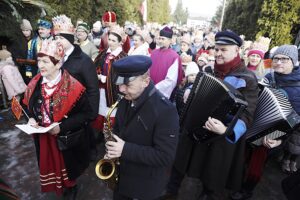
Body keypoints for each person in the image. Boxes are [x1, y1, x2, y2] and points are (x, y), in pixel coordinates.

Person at [163, 30, 259, 200]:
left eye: (224, 50)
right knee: (180, 160)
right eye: (217, 49)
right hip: (195, 123)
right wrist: (189, 91)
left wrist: (227, 129)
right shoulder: (209, 68)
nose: (219, 53)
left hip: (219, 135)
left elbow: (248, 114)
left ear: (237, 50)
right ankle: (171, 191)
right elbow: (198, 86)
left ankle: (208, 194)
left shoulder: (248, 79)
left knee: (212, 173)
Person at [22, 39, 92, 198]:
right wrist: (32, 118)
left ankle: (70, 187)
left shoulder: (75, 86)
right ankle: (58, 187)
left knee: (67, 167)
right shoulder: (35, 82)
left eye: (45, 61)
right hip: (43, 138)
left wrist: (63, 126)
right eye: (39, 60)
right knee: (50, 166)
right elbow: (27, 105)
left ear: (58, 63)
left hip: (65, 138)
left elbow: (86, 114)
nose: (40, 65)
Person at [105, 55, 179, 200]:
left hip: (143, 187)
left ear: (146, 81)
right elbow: (119, 129)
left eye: (128, 85)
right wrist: (112, 146)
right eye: (120, 84)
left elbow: (165, 156)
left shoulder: (166, 110)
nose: (121, 89)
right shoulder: (126, 98)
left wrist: (124, 149)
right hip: (122, 177)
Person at [231, 45, 300, 200]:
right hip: (253, 123)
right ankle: (235, 180)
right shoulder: (269, 77)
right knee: (241, 157)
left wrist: (279, 140)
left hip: (272, 134)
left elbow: (294, 120)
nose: (279, 62)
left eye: (284, 59)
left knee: (256, 165)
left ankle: (246, 190)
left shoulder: (298, 88)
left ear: (293, 62)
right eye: (276, 58)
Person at [52, 14, 99, 160]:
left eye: (61, 38)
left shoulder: (84, 61)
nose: (57, 41)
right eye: (55, 38)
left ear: (69, 39)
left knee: (81, 144)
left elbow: (92, 88)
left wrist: (92, 113)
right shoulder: (54, 57)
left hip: (79, 111)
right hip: (60, 109)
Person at [93, 25, 127, 134]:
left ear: (119, 42)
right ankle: (100, 139)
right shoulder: (104, 53)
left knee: (110, 119)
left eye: (113, 40)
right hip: (101, 91)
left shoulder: (122, 57)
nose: (110, 42)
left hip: (113, 94)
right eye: (109, 39)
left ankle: (109, 141)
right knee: (100, 116)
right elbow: (96, 66)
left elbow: (121, 78)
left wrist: (104, 78)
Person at [150, 26, 183, 99]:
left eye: (163, 39)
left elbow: (171, 81)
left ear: (170, 41)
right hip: (148, 91)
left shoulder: (174, 57)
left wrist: (154, 89)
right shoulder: (153, 53)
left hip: (161, 95)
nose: (160, 41)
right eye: (160, 38)